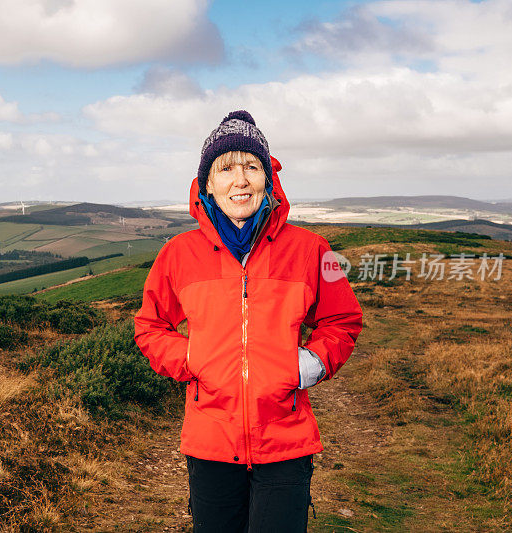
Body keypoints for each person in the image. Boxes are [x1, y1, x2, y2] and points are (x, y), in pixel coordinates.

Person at [133, 110, 363, 532]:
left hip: (286, 439)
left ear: (268, 180)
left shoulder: (313, 249)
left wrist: (309, 364)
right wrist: (192, 360)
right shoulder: (178, 254)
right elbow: (150, 326)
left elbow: (343, 320)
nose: (240, 180)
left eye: (252, 167)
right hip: (210, 439)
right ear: (207, 185)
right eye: (226, 169)